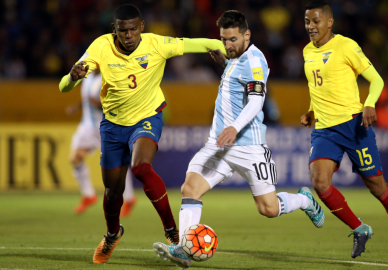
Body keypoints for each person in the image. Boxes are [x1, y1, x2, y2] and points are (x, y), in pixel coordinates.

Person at [152, 10, 325, 269]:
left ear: (247, 35)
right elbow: (237, 81)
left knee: (268, 208)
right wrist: (225, 61)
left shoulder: (255, 60)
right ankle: (184, 248)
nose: (227, 45)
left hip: (248, 147)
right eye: (223, 39)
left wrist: (234, 127)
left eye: (233, 39)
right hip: (219, 144)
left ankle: (304, 200)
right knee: (191, 188)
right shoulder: (234, 57)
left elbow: (256, 101)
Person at [58, 4, 227, 264]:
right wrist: (71, 77)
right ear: (114, 30)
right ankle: (113, 234)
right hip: (113, 126)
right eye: (123, 30)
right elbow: (63, 88)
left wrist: (226, 49)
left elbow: (202, 42)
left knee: (141, 167)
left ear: (142, 27)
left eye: (133, 29)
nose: (128, 35)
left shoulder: (157, 44)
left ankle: (173, 233)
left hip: (147, 117)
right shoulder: (100, 46)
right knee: (112, 192)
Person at [300, 1, 388, 265]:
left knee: (377, 188)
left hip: (354, 125)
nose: (310, 27)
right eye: (307, 21)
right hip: (325, 130)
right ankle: (359, 229)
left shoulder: (346, 46)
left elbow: (376, 79)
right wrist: (310, 111)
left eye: (316, 21)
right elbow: (317, 88)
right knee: (320, 183)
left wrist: (369, 104)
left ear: (329, 22)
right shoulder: (307, 51)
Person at [67, 70, 137, 217]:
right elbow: (88, 98)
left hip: (107, 126)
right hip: (87, 125)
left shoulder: (111, 77)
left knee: (118, 164)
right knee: (75, 158)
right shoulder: (87, 77)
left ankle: (129, 199)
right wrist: (78, 106)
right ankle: (88, 195)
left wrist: (98, 104)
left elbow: (117, 103)